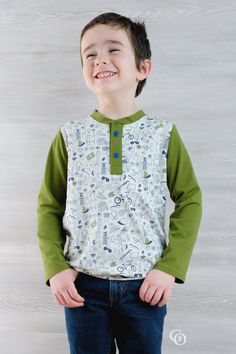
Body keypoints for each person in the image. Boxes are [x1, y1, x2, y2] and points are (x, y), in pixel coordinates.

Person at [37, 12, 202, 354]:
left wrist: (169, 268)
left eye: (113, 49)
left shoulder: (163, 135)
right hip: (83, 289)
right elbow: (49, 205)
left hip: (145, 289)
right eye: (90, 53)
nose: (100, 59)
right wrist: (56, 268)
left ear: (143, 68)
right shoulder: (69, 136)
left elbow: (190, 199)